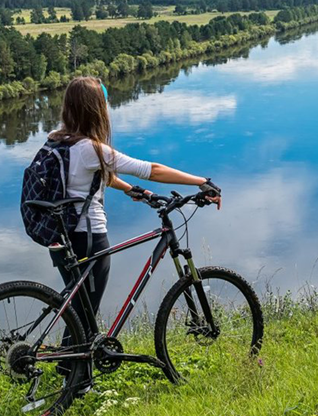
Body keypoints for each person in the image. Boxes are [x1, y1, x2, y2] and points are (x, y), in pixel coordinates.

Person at [48, 76, 222, 326]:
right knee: (86, 313)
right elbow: (152, 169)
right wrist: (200, 181)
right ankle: (74, 363)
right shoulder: (91, 149)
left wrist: (133, 190)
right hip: (87, 236)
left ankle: (71, 363)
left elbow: (86, 178)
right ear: (96, 110)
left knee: (79, 308)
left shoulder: (57, 140)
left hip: (60, 235)